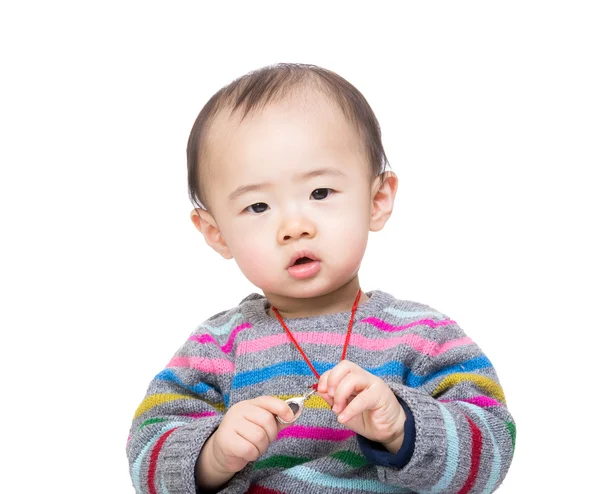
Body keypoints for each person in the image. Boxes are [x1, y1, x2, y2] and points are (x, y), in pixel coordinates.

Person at [126, 63, 516, 494]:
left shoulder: (424, 336)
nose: (294, 226)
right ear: (217, 233)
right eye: (258, 207)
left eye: (320, 193)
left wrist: (402, 426)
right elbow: (147, 452)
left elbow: (495, 445)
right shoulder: (217, 345)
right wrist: (212, 455)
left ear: (377, 200)